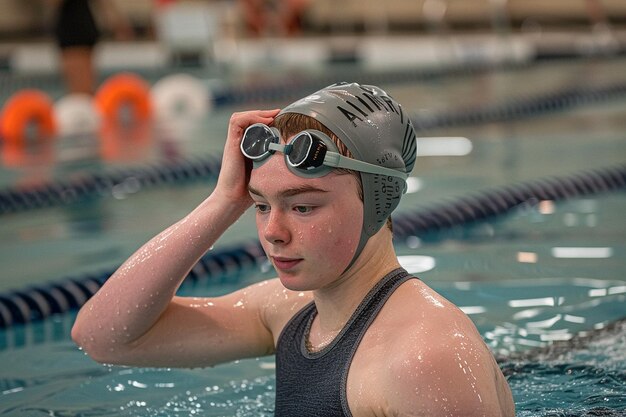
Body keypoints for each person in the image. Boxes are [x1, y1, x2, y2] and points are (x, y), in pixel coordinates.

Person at [72, 82, 515, 416]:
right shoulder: (289, 311)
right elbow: (104, 338)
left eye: (302, 207)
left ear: (378, 201)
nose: (272, 232)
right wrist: (223, 201)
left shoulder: (422, 357)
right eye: (261, 205)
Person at [51, 0, 133, 94]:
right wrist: (117, 20)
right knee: (84, 88)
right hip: (80, 27)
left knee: (81, 91)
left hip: (74, 32)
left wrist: (117, 21)